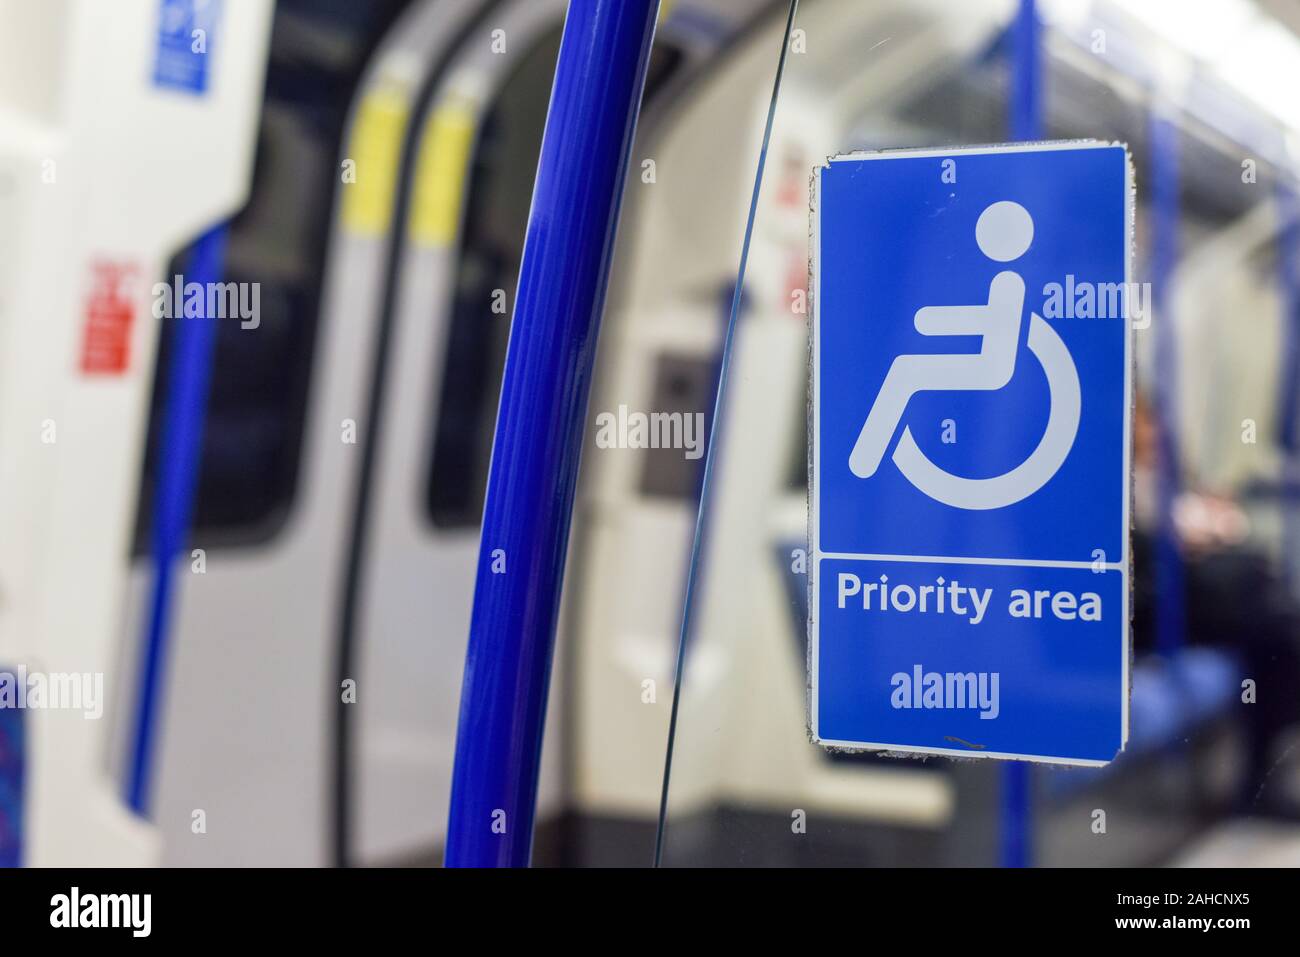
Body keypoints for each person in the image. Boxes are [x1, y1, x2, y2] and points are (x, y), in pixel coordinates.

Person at [1131, 393, 1300, 818]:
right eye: (1142, 423)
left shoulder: (1165, 477)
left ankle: (1259, 776)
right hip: (1151, 609)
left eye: (1154, 423)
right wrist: (1185, 542)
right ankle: (1257, 781)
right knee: (1273, 633)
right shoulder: (1117, 483)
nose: (1152, 432)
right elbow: (1146, 553)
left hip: (1188, 593)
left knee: (1273, 625)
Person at [850, 200, 1034, 478]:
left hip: (990, 368)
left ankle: (865, 458)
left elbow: (988, 324)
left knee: (905, 370)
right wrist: (930, 320)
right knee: (905, 370)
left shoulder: (1008, 281)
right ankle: (867, 457)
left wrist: (929, 319)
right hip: (982, 362)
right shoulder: (996, 278)